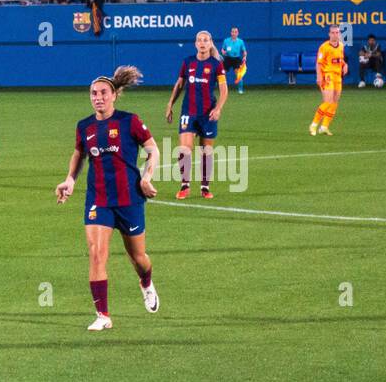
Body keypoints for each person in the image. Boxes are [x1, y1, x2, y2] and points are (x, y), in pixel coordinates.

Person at [55, 67, 161, 332]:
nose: (98, 97)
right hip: (98, 200)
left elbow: (153, 150)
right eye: (93, 93)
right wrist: (70, 180)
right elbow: (79, 154)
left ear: (114, 94)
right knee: (96, 254)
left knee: (138, 257)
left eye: (103, 92)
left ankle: (146, 282)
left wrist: (146, 178)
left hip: (129, 199)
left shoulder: (130, 121)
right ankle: (103, 315)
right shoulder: (85, 126)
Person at [165, 30, 228, 200]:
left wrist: (219, 108)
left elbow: (223, 89)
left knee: (206, 151)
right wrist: (171, 103)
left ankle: (205, 187)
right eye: (199, 40)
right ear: (195, 43)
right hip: (188, 112)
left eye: (205, 40)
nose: (202, 43)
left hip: (208, 114)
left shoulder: (216, 65)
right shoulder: (188, 63)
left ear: (210, 43)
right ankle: (184, 186)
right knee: (184, 149)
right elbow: (179, 84)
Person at [310, 24, 347, 136]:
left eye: (337, 32)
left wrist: (345, 65)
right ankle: (314, 125)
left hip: (338, 77)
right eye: (333, 33)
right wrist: (319, 76)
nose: (335, 35)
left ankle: (324, 127)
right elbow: (319, 63)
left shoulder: (341, 45)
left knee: (334, 103)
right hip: (327, 75)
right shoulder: (324, 47)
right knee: (328, 102)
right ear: (329, 34)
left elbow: (340, 60)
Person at [220, 26, 248, 94]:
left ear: (238, 33)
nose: (234, 33)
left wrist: (245, 56)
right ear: (231, 32)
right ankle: (223, 90)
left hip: (237, 59)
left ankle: (240, 90)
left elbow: (244, 51)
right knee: (222, 74)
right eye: (233, 32)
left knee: (238, 74)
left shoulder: (240, 41)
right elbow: (222, 49)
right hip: (227, 59)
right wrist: (223, 52)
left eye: (235, 32)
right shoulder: (226, 40)